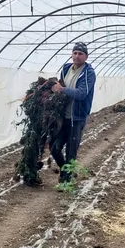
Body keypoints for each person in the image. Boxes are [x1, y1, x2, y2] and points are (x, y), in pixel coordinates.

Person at [50, 42, 96, 183]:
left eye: (80, 54)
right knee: (54, 148)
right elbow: (61, 86)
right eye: (75, 53)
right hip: (63, 117)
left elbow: (81, 94)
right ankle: (65, 171)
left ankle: (66, 181)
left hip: (77, 118)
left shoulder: (88, 73)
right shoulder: (66, 68)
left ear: (86, 56)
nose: (77, 56)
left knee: (71, 151)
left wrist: (62, 89)